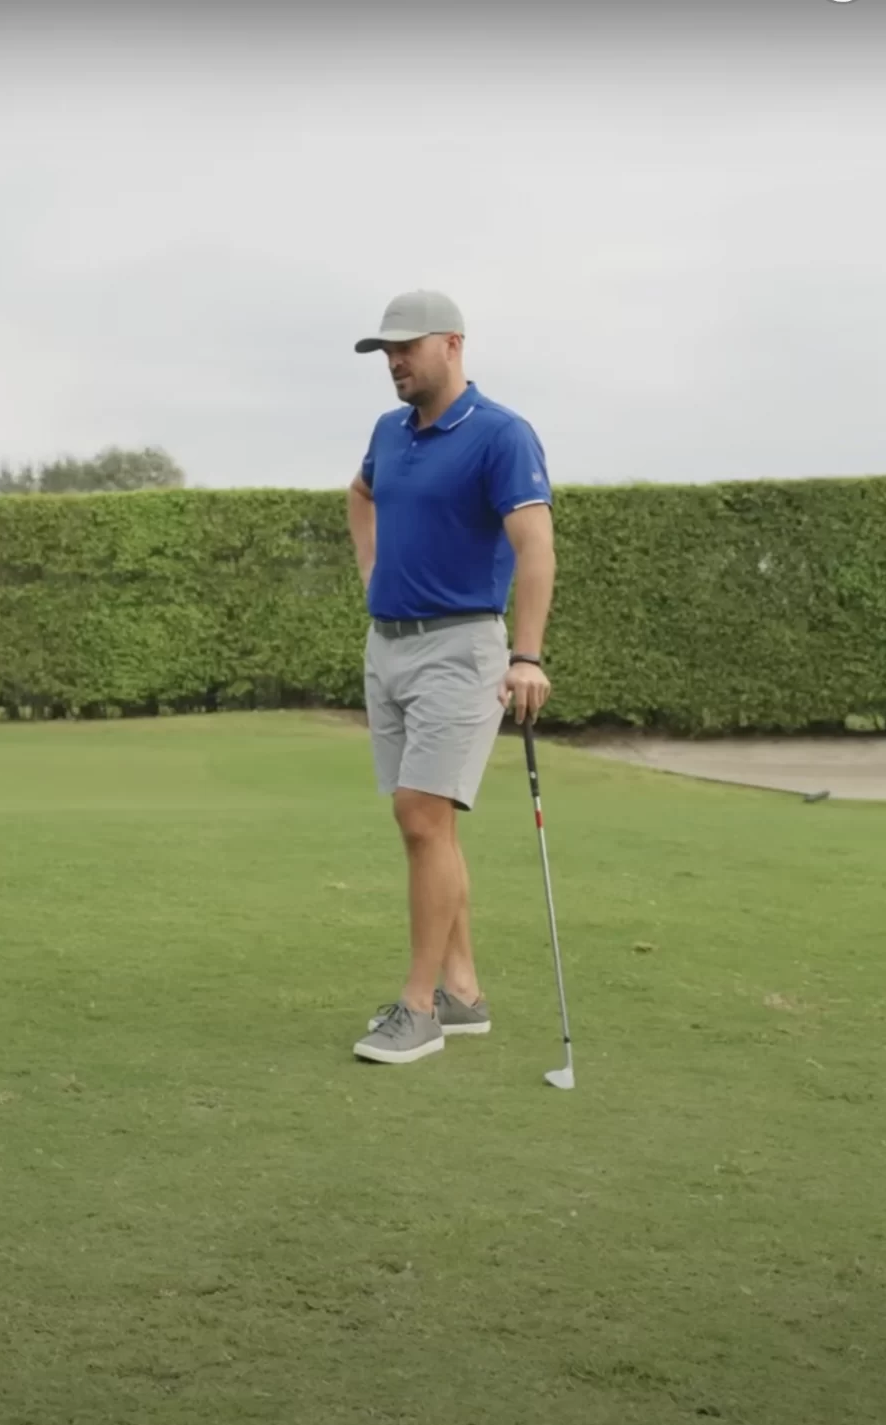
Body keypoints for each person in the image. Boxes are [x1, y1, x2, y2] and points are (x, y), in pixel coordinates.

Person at [343, 292, 555, 1066]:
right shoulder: (388, 434)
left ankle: (420, 1006)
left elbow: (536, 549)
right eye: (385, 352)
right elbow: (360, 494)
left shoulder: (500, 434)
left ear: (453, 345)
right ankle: (463, 991)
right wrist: (371, 574)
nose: (394, 362)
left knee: (421, 816)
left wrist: (526, 656)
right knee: (426, 823)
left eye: (406, 347)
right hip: (389, 647)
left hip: (462, 649)